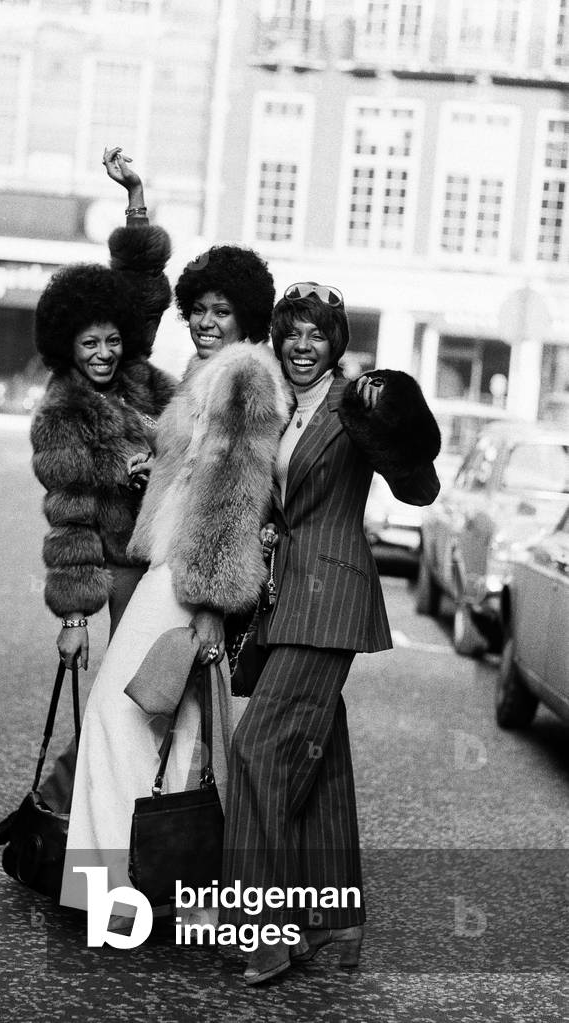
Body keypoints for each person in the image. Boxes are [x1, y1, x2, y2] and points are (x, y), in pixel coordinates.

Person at [60, 244, 291, 920]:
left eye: (222, 310)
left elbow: (235, 496)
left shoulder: (243, 375)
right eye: (198, 309)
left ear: (247, 316)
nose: (205, 322)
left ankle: (115, 890)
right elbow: (195, 476)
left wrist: (211, 600)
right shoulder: (210, 372)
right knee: (175, 726)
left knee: (120, 713)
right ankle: (162, 892)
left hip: (188, 576)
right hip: (177, 565)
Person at [220, 281, 441, 984]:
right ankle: (333, 919)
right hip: (283, 598)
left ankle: (263, 930)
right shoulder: (275, 406)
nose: (303, 345)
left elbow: (421, 490)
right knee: (319, 763)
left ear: (336, 343)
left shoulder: (353, 405)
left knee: (256, 748)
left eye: (317, 334)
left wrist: (392, 420)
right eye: (293, 332)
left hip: (331, 600)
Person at [0, 148, 176, 830]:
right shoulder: (63, 414)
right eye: (88, 343)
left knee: (156, 698)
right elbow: (69, 519)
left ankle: (112, 812)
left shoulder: (139, 375)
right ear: (66, 346)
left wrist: (135, 196)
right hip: (127, 571)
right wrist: (73, 619)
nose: (103, 353)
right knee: (133, 699)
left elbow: (144, 288)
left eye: (110, 340)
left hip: (170, 562)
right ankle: (71, 811)